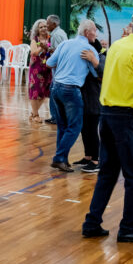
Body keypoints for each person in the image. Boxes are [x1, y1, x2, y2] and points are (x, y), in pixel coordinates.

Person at [81, 8, 133, 243]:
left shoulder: (117, 46)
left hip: (105, 116)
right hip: (124, 118)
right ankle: (128, 228)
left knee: (107, 174)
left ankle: (92, 222)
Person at [45, 20, 100, 172]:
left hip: (56, 87)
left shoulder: (65, 44)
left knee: (62, 126)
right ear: (88, 32)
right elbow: (96, 73)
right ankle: (59, 158)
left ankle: (62, 159)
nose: (96, 34)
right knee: (75, 126)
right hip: (71, 89)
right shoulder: (88, 50)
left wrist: (65, 64)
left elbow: (49, 63)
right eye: (95, 30)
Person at [75, 32, 106, 173]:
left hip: (94, 97)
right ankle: (88, 156)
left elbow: (103, 76)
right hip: (84, 96)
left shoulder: (101, 58)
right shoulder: (83, 60)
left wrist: (94, 60)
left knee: (92, 129)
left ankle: (96, 160)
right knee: (85, 128)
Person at [28, 19, 53, 123]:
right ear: (37, 29)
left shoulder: (50, 38)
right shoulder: (35, 39)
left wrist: (48, 48)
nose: (43, 29)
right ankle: (36, 115)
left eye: (45, 27)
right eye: (41, 27)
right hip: (36, 69)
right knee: (35, 91)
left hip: (48, 67)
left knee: (44, 92)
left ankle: (34, 113)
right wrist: (42, 48)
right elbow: (34, 53)